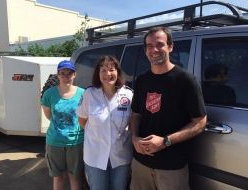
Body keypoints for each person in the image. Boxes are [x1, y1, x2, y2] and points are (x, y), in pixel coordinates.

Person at [130, 27, 207, 190]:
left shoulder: (186, 80)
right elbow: (136, 114)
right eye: (149, 46)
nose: (154, 50)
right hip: (140, 163)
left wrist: (165, 141)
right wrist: (134, 138)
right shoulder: (142, 80)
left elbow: (200, 122)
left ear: (170, 47)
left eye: (160, 44)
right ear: (145, 50)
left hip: (172, 167)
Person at [76, 55, 133, 190]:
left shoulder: (128, 94)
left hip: (121, 156)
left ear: (118, 72)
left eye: (112, 70)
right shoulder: (89, 94)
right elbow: (82, 120)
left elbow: (132, 123)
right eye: (103, 70)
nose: (108, 74)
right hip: (95, 156)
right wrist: (98, 134)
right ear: (98, 74)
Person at [41, 60, 84, 190]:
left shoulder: (83, 94)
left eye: (69, 73)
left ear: (74, 75)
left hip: (76, 142)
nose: (66, 77)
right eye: (62, 73)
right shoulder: (49, 94)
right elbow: (49, 116)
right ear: (58, 75)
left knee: (75, 177)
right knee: (58, 178)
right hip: (55, 143)